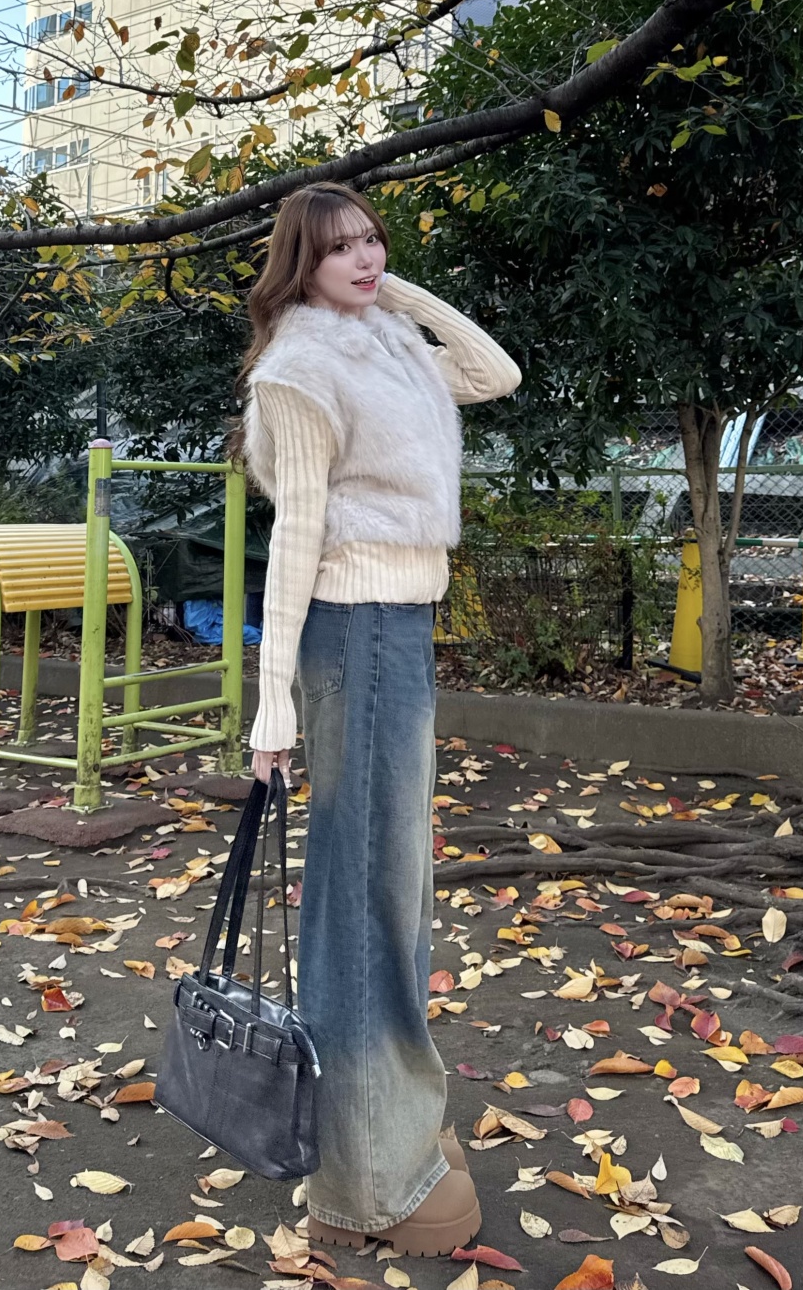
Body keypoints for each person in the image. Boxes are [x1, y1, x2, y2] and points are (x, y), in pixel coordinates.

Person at [230, 181, 521, 1257]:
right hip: (352, 633)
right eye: (338, 249)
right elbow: (295, 538)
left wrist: (394, 293)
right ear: (297, 266)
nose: (363, 258)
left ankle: (389, 1120)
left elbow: (494, 372)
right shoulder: (300, 370)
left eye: (372, 240)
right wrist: (272, 703)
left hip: (399, 626)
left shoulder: (389, 344)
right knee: (362, 896)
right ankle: (364, 1178)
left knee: (394, 885)